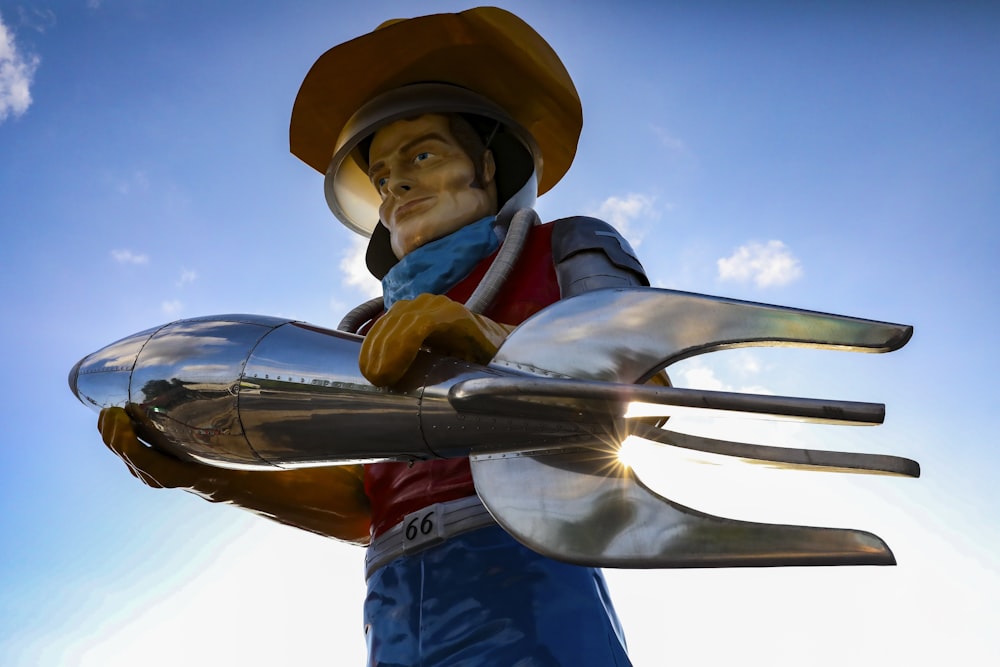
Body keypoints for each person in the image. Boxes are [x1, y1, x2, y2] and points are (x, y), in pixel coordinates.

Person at [99, 7, 648, 665]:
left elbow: (648, 389)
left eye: (421, 154)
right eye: (383, 176)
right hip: (392, 605)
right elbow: (366, 505)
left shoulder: (567, 245)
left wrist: (481, 334)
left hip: (532, 580)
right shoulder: (362, 330)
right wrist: (207, 475)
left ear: (490, 165)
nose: (397, 188)